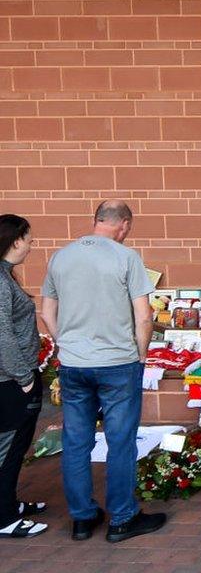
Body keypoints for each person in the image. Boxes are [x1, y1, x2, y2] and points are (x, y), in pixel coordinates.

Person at [40, 201, 166, 543]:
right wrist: (140, 355)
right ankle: (122, 518)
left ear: (96, 220)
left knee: (76, 441)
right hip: (117, 361)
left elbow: (47, 311)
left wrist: (64, 343)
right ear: (123, 225)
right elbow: (144, 315)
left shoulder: (61, 257)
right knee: (120, 442)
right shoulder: (126, 257)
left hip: (74, 362)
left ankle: (82, 518)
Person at [0, 215, 47, 539]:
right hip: (10, 382)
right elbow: (2, 333)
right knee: (9, 448)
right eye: (29, 239)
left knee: (16, 446)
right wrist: (24, 377)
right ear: (16, 240)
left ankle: (9, 503)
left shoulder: (5, 275)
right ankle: (4, 518)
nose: (32, 245)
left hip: (14, 377)